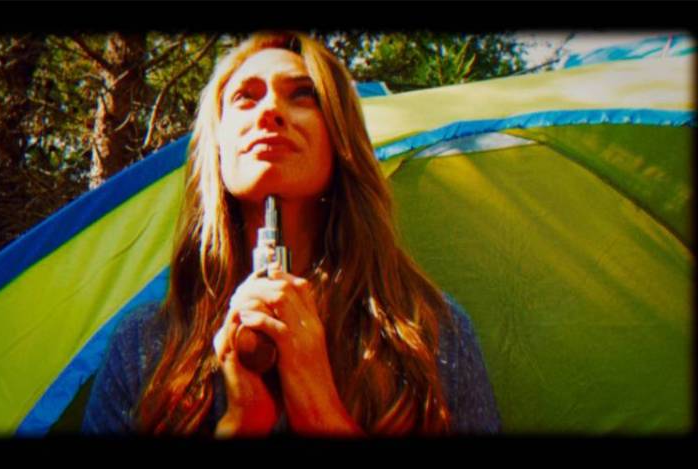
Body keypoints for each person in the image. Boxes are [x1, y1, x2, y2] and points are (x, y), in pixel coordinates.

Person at [82, 31, 501, 437]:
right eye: (245, 96)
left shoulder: (430, 333)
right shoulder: (143, 344)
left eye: (303, 94)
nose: (270, 111)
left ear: (339, 136)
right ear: (218, 145)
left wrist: (321, 411)